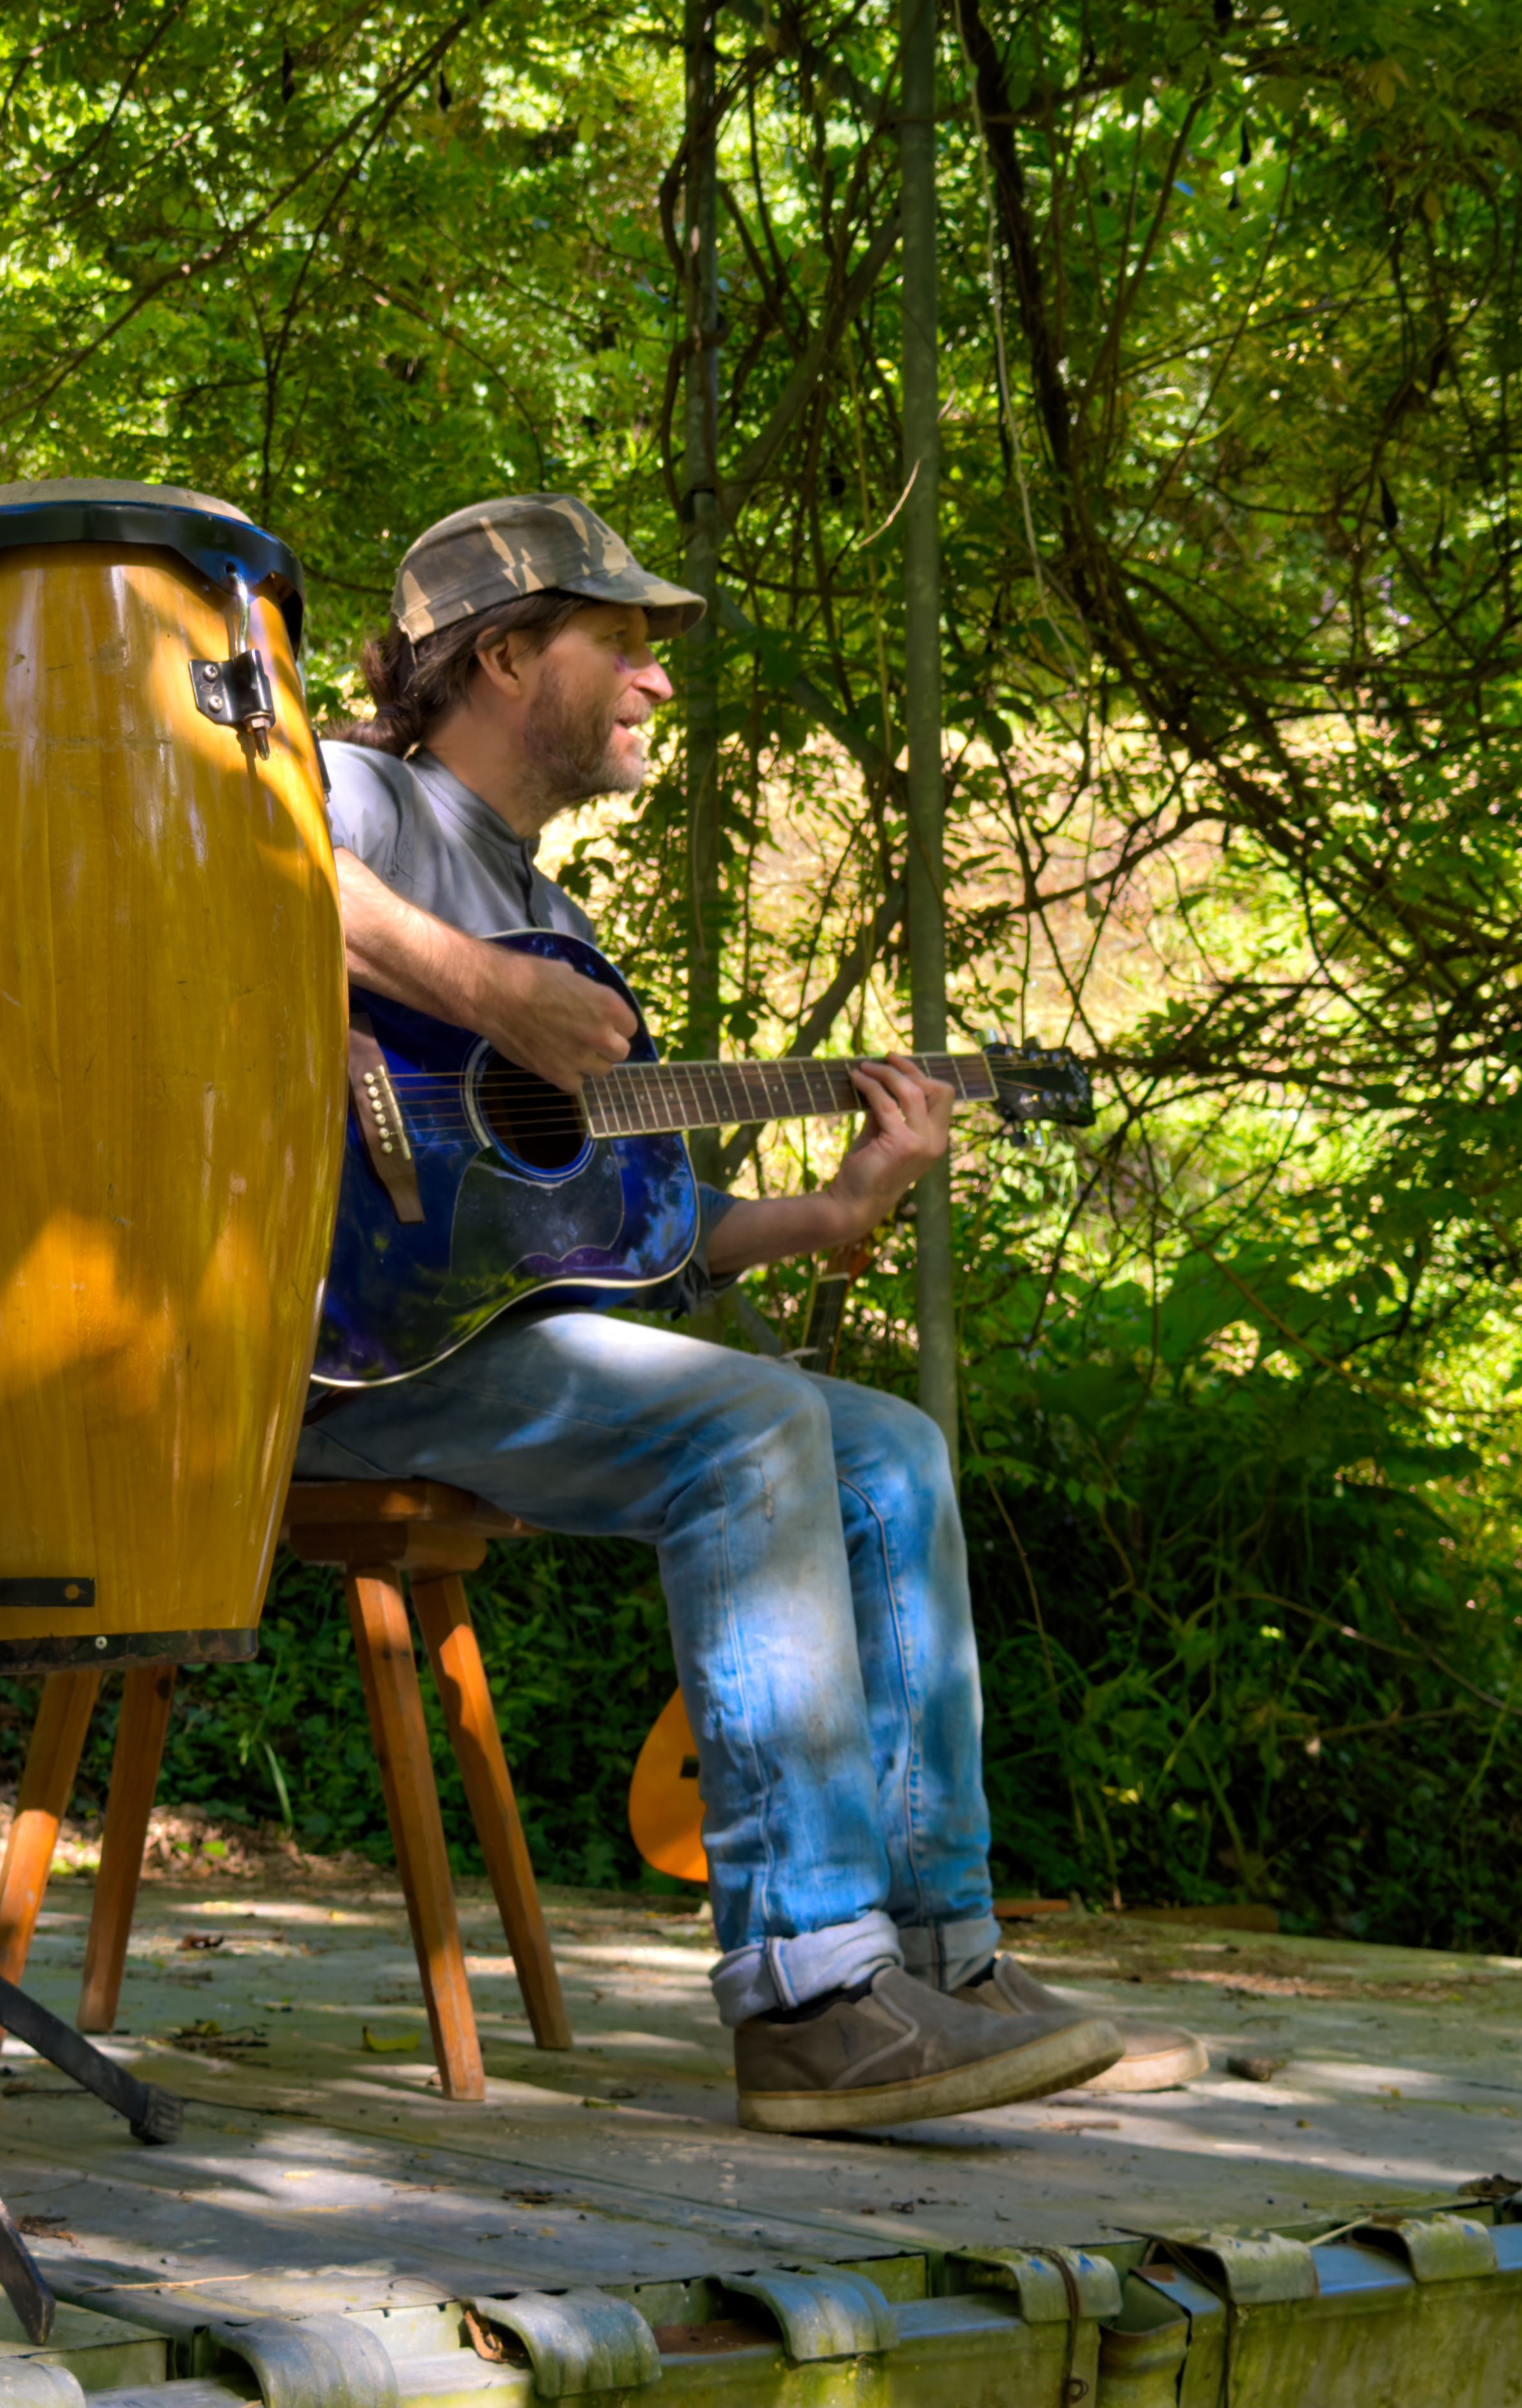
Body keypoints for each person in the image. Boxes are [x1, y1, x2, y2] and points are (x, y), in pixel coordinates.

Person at [295, 493, 1202, 2130]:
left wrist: (835, 1212)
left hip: (493, 1349)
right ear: (504, 654)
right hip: (327, 1346)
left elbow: (621, 1236)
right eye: (623, 643)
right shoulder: (349, 797)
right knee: (757, 1428)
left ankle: (940, 1964)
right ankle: (807, 1994)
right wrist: (484, 995)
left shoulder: (550, 919)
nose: (656, 682)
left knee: (886, 1446)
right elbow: (216, 870)